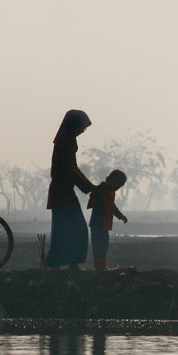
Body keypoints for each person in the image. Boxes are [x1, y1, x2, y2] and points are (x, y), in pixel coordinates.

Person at [46, 109, 93, 269]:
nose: (83, 131)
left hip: (63, 191)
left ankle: (60, 263)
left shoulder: (65, 140)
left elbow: (73, 168)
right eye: (82, 127)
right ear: (75, 125)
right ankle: (68, 263)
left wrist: (88, 185)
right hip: (62, 192)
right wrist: (88, 186)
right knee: (77, 228)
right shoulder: (66, 141)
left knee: (64, 229)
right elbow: (70, 169)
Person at [87, 169, 128, 270]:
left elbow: (112, 207)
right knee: (99, 246)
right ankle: (100, 267)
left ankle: (101, 266)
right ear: (109, 180)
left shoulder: (110, 192)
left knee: (103, 245)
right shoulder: (102, 189)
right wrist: (102, 187)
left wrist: (120, 216)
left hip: (104, 224)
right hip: (97, 223)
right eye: (116, 185)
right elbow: (93, 196)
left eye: (118, 187)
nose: (116, 188)